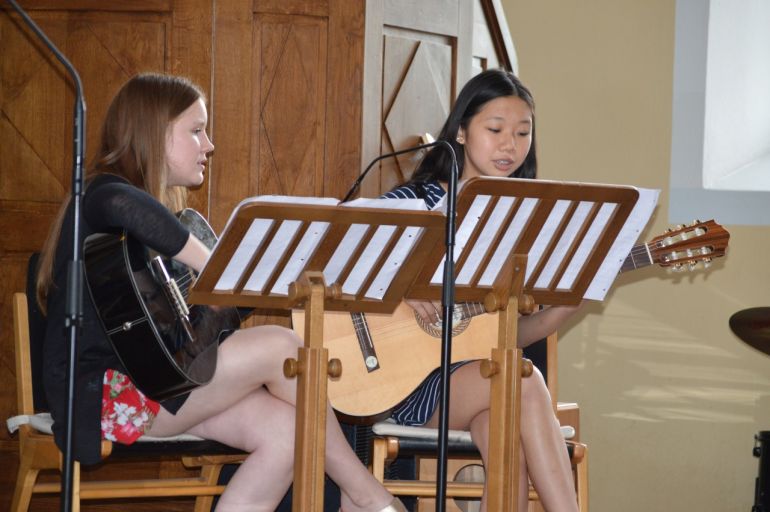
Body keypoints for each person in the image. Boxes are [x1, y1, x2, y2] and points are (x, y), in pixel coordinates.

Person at [36, 73, 406, 512]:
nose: (208, 144)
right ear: (153, 134)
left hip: (155, 382)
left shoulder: (143, 221)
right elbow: (125, 206)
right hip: (106, 394)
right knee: (282, 346)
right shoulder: (100, 194)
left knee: (287, 431)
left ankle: (358, 493)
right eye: (195, 130)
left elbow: (190, 335)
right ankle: (363, 494)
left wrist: (269, 279)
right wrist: (216, 268)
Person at [382, 69, 582, 512]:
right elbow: (337, 261)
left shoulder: (522, 223)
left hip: (479, 381)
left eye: (522, 133)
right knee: (523, 380)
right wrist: (398, 291)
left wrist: (574, 300)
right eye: (495, 130)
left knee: (503, 430)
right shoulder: (413, 205)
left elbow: (510, 336)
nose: (510, 144)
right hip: (405, 384)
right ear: (461, 130)